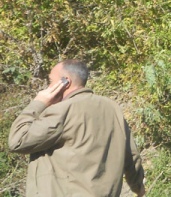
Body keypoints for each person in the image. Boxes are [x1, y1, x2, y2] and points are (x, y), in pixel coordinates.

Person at [8, 59, 146, 197]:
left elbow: (17, 140)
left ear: (65, 82)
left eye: (50, 81)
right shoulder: (112, 108)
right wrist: (138, 187)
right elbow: (131, 155)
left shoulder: (62, 111)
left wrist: (38, 103)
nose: (47, 87)